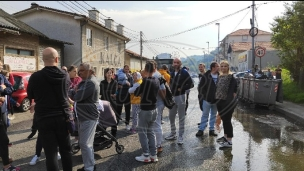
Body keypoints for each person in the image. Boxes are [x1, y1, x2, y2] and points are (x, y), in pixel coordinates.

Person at [27, 47, 73, 171]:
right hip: (63, 117)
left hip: (44, 118)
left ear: (43, 60)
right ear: (57, 59)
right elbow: (67, 92)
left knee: (51, 153)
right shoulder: (65, 75)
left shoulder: (35, 77)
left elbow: (30, 95)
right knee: (66, 150)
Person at [73, 62, 99, 171]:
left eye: (82, 70)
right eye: (79, 70)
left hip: (88, 117)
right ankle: (90, 164)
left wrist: (76, 92)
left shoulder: (90, 83)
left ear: (91, 71)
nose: (79, 72)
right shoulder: (85, 82)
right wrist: (76, 91)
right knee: (87, 143)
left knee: (85, 143)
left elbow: (77, 96)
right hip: (84, 116)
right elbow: (74, 92)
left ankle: (89, 168)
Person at [134, 61, 160, 163]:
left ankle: (145, 155)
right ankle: (153, 155)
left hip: (145, 110)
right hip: (154, 109)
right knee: (151, 132)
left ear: (145, 69)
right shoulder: (157, 80)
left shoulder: (145, 81)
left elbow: (136, 93)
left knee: (142, 133)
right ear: (154, 70)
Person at [165, 58, 193, 145]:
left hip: (180, 97)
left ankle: (180, 136)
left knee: (181, 117)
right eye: (174, 62)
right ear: (173, 64)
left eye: (177, 62)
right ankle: (173, 134)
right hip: (172, 97)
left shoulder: (184, 72)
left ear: (180, 64)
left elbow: (191, 84)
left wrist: (182, 88)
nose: (176, 64)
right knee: (171, 116)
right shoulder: (172, 73)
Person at [0, 61, 19, 171]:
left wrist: (2, 89)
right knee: (3, 139)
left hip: (2, 112)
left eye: (1, 65)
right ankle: (6, 166)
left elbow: (10, 89)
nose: (1, 67)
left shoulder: (2, 76)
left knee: (3, 139)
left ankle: (5, 161)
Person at [215, 61, 238, 148]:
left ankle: (229, 140)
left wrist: (228, 103)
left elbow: (233, 90)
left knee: (227, 121)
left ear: (228, 67)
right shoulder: (220, 76)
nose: (223, 68)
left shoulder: (231, 77)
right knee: (224, 120)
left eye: (225, 66)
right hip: (219, 101)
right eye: (222, 66)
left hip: (227, 103)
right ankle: (225, 137)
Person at [196, 61, 220, 137]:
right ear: (213, 68)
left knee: (213, 115)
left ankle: (211, 130)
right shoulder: (206, 76)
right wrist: (204, 96)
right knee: (205, 115)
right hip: (207, 99)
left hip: (216, 100)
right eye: (217, 66)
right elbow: (200, 87)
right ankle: (201, 130)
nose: (219, 68)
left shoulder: (220, 76)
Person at [151, 61, 166, 153]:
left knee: (156, 124)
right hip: (158, 102)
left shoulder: (156, 75)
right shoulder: (157, 74)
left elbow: (163, 89)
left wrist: (164, 100)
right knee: (155, 124)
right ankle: (156, 143)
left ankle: (158, 145)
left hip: (157, 103)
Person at [100, 68, 118, 137]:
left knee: (113, 116)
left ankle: (114, 132)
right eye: (108, 73)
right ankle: (103, 132)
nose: (109, 74)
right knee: (103, 117)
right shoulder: (102, 82)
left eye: (111, 73)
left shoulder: (115, 82)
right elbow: (101, 92)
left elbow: (114, 91)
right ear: (105, 74)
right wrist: (110, 93)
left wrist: (109, 93)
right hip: (104, 102)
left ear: (112, 74)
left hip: (112, 102)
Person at [116, 65, 133, 131]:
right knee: (118, 110)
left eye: (128, 69)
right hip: (120, 95)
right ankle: (116, 123)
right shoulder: (119, 75)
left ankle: (127, 124)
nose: (126, 70)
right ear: (123, 69)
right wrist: (118, 86)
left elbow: (132, 85)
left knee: (127, 110)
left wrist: (129, 84)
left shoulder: (130, 76)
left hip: (127, 95)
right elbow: (115, 83)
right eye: (125, 69)